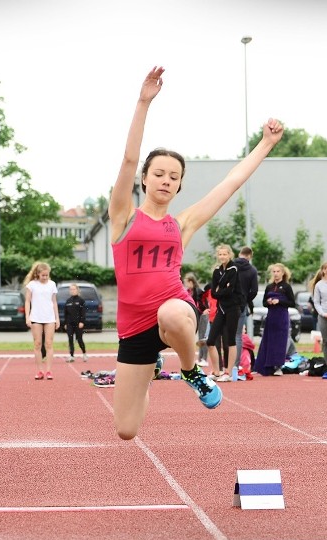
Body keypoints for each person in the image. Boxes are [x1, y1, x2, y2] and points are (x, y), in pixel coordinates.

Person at [109, 66, 284, 440]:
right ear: (144, 178)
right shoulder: (123, 217)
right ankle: (151, 368)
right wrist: (143, 102)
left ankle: (191, 371)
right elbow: (127, 160)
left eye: (174, 176)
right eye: (159, 173)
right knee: (126, 430)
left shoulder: (182, 224)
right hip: (134, 326)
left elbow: (231, 183)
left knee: (173, 310)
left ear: (179, 185)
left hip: (174, 312)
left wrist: (265, 144)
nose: (166, 180)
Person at [206, 245, 245, 382]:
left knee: (230, 340)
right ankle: (216, 372)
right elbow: (213, 292)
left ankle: (228, 372)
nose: (222, 257)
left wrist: (220, 290)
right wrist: (222, 289)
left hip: (233, 308)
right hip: (221, 309)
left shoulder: (233, 269)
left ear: (230, 255)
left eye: (225, 254)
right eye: (220, 254)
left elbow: (229, 290)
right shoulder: (217, 271)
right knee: (210, 341)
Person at [254, 263, 296, 376]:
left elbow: (292, 303)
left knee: (280, 342)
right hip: (271, 317)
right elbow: (263, 302)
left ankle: (278, 366)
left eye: (278, 271)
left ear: (282, 273)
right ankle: (266, 365)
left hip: (282, 317)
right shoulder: (269, 287)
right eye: (274, 271)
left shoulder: (286, 287)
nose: (276, 274)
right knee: (269, 340)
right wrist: (268, 302)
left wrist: (280, 302)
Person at [24, 262, 59, 380]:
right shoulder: (32, 285)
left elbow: (54, 302)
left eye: (47, 275)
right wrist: (27, 317)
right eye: (43, 275)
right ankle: (40, 371)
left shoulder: (52, 284)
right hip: (36, 317)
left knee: (49, 344)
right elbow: (27, 301)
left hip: (50, 318)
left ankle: (49, 371)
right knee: (37, 344)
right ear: (38, 274)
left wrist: (57, 318)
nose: (45, 277)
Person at [233, 246, 258, 378]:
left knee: (225, 335)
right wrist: (245, 300)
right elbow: (254, 291)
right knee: (238, 336)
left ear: (240, 254)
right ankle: (235, 366)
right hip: (241, 306)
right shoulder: (252, 270)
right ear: (250, 256)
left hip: (228, 304)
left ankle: (223, 365)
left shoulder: (231, 266)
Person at [183, 274, 207, 367]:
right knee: (194, 336)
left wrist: (205, 309)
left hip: (201, 315)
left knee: (202, 337)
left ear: (191, 282)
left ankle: (204, 358)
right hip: (194, 316)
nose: (186, 284)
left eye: (187, 282)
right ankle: (199, 358)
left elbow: (202, 303)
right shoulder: (188, 292)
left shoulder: (199, 291)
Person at [63, 283, 87, 363]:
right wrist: (65, 323)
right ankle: (71, 355)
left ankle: (84, 353)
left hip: (78, 323)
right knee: (70, 339)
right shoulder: (68, 301)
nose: (72, 291)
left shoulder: (81, 301)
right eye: (71, 289)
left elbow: (83, 312)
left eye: (74, 289)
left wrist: (82, 322)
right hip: (70, 323)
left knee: (79, 339)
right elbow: (65, 314)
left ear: (77, 290)